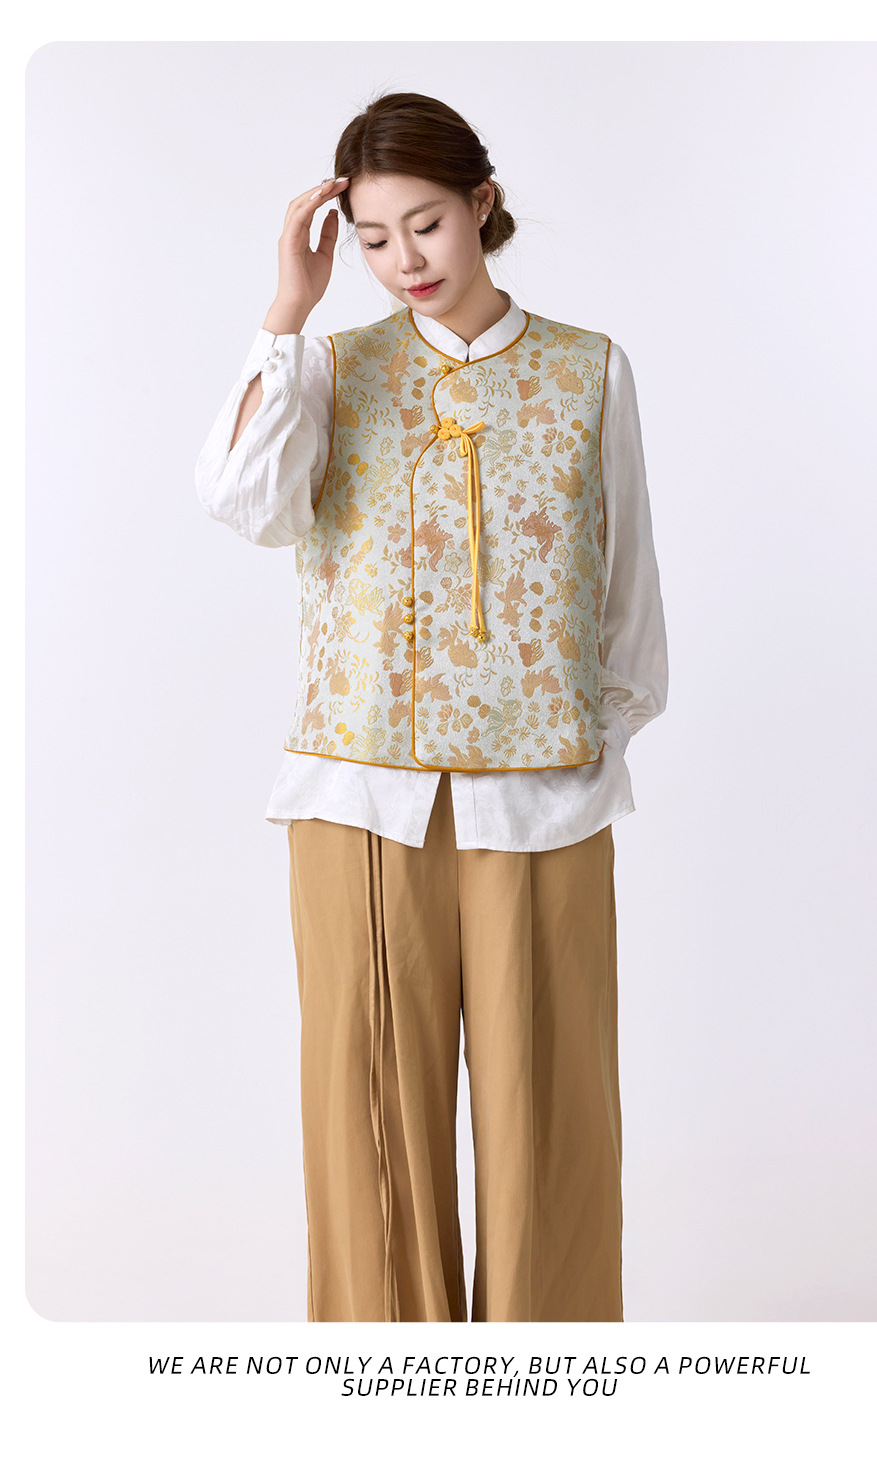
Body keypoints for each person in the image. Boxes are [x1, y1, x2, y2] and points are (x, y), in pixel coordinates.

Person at [195, 90, 668, 1323]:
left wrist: (588, 742)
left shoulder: (589, 370)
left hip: (544, 801)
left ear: (481, 205)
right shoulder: (329, 369)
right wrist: (288, 311)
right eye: (373, 237)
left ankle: (541, 1390)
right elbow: (242, 501)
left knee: (549, 1126)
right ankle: (385, 1394)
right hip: (359, 798)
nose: (404, 258)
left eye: (427, 224)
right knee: (371, 1138)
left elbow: (626, 591)